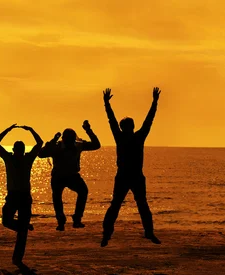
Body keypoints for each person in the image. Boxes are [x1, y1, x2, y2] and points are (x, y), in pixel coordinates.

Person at [101, 87, 161, 247]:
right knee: (122, 205)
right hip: (127, 176)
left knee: (136, 205)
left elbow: (148, 121)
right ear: (131, 127)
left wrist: (155, 102)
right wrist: (106, 104)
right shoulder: (128, 137)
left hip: (132, 176)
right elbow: (112, 120)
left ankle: (148, 232)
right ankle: (107, 234)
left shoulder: (132, 137)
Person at [0, 124, 43, 265]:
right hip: (14, 195)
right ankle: (23, 226)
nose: (19, 152)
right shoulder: (10, 158)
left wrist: (9, 130)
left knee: (20, 231)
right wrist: (30, 130)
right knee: (7, 221)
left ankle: (17, 258)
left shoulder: (26, 159)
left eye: (20, 150)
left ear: (18, 150)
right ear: (15, 150)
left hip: (23, 196)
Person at [39, 120, 101, 231]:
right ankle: (63, 221)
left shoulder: (77, 145)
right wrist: (53, 140)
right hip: (60, 176)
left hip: (71, 175)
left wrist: (88, 130)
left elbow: (96, 145)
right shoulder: (58, 146)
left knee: (81, 192)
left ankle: (75, 219)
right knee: (58, 197)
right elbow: (41, 154)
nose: (70, 142)